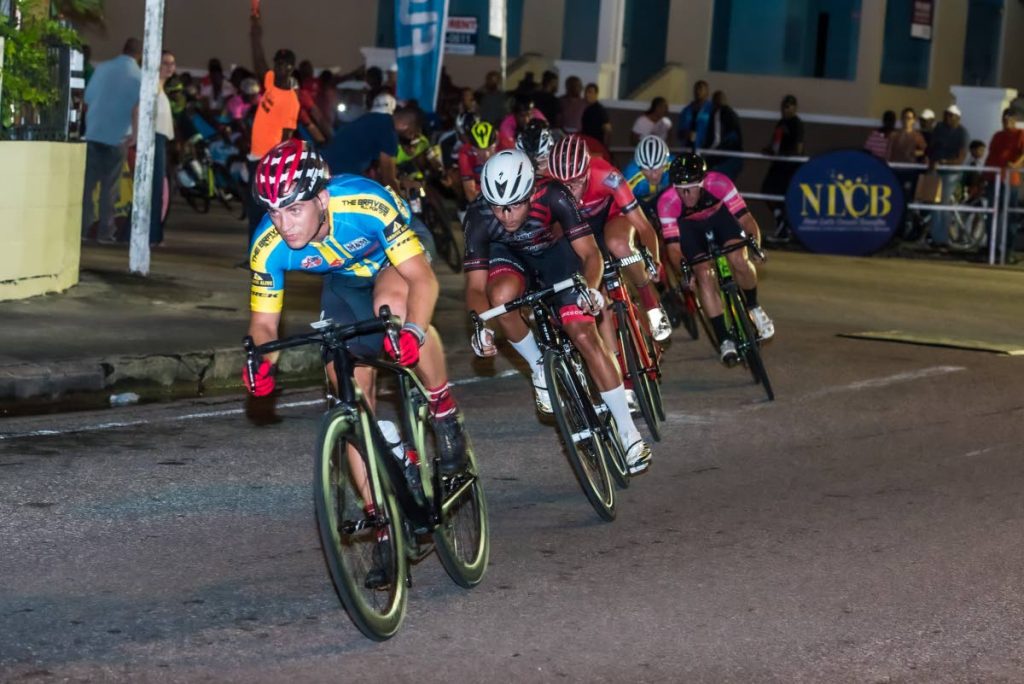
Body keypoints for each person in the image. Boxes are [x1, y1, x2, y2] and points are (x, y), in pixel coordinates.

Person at [243, 139, 469, 474]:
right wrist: (262, 362)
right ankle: (380, 512)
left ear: (321, 199)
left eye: (293, 210)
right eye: (273, 211)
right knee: (344, 378)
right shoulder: (266, 246)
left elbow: (424, 281)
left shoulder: (364, 202)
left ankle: (444, 409)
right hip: (345, 276)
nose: (283, 225)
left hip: (393, 256)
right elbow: (264, 325)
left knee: (391, 308)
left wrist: (413, 331)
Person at [463, 150, 652, 474]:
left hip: (555, 256)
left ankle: (627, 430)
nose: (506, 216)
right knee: (500, 299)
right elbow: (476, 288)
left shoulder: (554, 195)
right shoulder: (479, 215)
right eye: (498, 207)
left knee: (583, 334)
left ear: (530, 193)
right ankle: (539, 365)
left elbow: (591, 254)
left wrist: (590, 290)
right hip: (509, 259)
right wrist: (481, 326)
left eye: (515, 205)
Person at [548, 134, 671, 343]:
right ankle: (614, 362)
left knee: (620, 245)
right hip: (579, 229)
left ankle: (650, 304)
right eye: (564, 185)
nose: (572, 190)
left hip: (612, 218)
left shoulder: (607, 175)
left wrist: (654, 260)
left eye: (577, 181)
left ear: (587, 171)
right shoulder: (549, 187)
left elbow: (643, 225)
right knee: (593, 290)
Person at [657, 153, 774, 364]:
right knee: (703, 274)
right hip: (690, 230)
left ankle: (754, 307)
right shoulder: (667, 202)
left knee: (739, 259)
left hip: (720, 220)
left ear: (703, 182)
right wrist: (684, 268)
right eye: (679, 189)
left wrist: (754, 244)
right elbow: (673, 248)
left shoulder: (719, 183)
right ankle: (724, 339)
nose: (685, 194)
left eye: (690, 188)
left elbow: (746, 219)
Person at [81, 37, 142, 243]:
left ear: (123, 49)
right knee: (109, 189)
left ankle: (84, 229)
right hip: (118, 138)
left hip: (94, 133)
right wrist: (135, 135)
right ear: (139, 55)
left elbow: (88, 99)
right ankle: (105, 233)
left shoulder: (103, 68)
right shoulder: (139, 76)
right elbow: (137, 109)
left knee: (88, 186)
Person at [246, 16, 301, 243]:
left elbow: (288, 138)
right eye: (277, 63)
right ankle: (252, 253)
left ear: (291, 67)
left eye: (284, 64)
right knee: (253, 209)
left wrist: (276, 165)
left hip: (267, 160)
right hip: (254, 154)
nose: (280, 67)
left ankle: (262, 253)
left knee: (264, 210)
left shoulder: (291, 101)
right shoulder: (270, 81)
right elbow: (258, 61)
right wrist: (255, 35)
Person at [761, 94, 804, 244]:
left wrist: (786, 155)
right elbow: (775, 143)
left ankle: (784, 228)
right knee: (767, 190)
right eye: (784, 106)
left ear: (794, 107)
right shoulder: (781, 122)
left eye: (788, 106)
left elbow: (798, 148)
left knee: (780, 194)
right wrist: (769, 150)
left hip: (789, 166)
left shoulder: (796, 123)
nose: (785, 109)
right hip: (778, 163)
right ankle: (782, 222)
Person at [985, 108, 1024, 260]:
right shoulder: (997, 136)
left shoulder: (1020, 134)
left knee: (1009, 216)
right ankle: (991, 249)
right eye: (1004, 119)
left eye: (1009, 119)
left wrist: (1015, 164)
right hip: (994, 179)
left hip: (1010, 181)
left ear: (1015, 120)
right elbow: (991, 156)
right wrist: (983, 177)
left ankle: (1007, 251)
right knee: (993, 215)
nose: (1006, 122)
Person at [928, 104, 969, 246]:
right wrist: (932, 160)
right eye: (946, 114)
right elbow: (932, 147)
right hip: (937, 171)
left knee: (943, 204)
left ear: (958, 118)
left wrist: (945, 162)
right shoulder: (939, 128)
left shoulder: (962, 132)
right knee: (935, 203)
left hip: (951, 173)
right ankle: (934, 237)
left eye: (951, 115)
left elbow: (960, 158)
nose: (947, 117)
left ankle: (942, 239)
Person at [149, 50, 176, 247]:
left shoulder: (161, 88)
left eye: (172, 63)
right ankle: (152, 235)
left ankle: (155, 233)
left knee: (161, 189)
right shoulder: (152, 87)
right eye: (165, 63)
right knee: (156, 189)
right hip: (154, 139)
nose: (169, 67)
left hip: (161, 140)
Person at [887, 107, 928, 217]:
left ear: (914, 120)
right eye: (905, 118)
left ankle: (904, 225)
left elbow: (926, 151)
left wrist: (915, 153)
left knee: (906, 198)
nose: (907, 120)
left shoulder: (917, 136)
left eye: (909, 118)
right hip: (895, 171)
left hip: (910, 171)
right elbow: (887, 153)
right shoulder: (894, 135)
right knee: (893, 198)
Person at [622, 135, 673, 216]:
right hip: (639, 204)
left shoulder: (674, 165)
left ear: (666, 163)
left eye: (658, 168)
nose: (654, 175)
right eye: (647, 170)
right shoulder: (629, 178)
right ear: (639, 167)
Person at [704, 90, 743, 180]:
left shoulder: (718, 113)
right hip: (735, 156)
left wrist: (706, 153)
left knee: (715, 186)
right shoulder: (732, 113)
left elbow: (716, 139)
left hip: (724, 158)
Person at [457, 119, 498, 202]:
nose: (485, 155)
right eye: (479, 150)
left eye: (489, 149)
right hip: (481, 192)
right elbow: (470, 193)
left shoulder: (505, 146)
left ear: (496, 144)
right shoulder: (465, 153)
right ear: (472, 147)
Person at [677, 80, 712, 152]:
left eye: (701, 89)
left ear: (707, 92)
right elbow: (679, 133)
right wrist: (686, 134)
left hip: (705, 151)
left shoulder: (712, 110)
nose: (698, 91)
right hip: (687, 149)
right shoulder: (686, 110)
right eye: (696, 89)